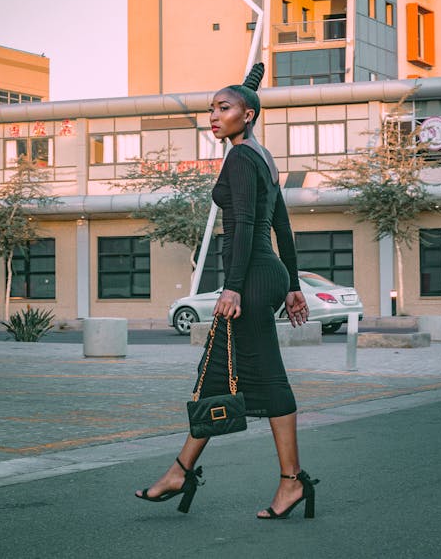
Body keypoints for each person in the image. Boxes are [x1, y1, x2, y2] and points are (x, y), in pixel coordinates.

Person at [135, 62, 319, 519]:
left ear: (248, 114)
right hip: (265, 273)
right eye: (210, 109)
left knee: (268, 377)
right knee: (217, 371)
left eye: (223, 108)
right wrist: (292, 283)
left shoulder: (240, 157)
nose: (213, 116)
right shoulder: (264, 156)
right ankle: (180, 470)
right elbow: (283, 224)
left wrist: (233, 287)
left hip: (252, 276)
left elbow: (251, 227)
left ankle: (292, 482)